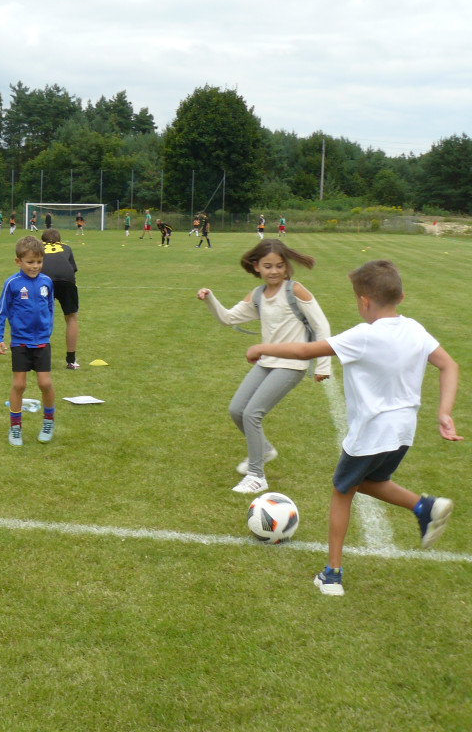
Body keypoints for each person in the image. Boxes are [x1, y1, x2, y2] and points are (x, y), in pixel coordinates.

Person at [246, 260, 460, 596]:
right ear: (401, 296)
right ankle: (423, 507)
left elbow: (305, 350)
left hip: (371, 432)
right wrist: (444, 412)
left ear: (362, 301)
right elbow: (449, 365)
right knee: (370, 482)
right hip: (404, 432)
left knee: (341, 491)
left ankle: (332, 574)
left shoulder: (363, 335)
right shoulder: (415, 329)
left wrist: (261, 348)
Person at [197, 239, 332, 493]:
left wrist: (323, 365)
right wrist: (209, 298)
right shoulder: (258, 295)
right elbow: (228, 318)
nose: (274, 271)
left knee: (252, 414)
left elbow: (321, 326)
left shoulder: (296, 290)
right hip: (267, 361)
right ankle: (265, 449)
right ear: (256, 266)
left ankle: (256, 476)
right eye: (267, 266)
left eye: (279, 266)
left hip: (292, 364)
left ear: (286, 267)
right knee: (237, 410)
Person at [0, 235, 55, 447]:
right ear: (18, 261)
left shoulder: (47, 282)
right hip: (20, 342)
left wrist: (48, 330)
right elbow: (2, 311)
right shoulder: (12, 283)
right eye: (30, 262)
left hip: (42, 342)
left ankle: (48, 422)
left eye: (39, 261)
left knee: (45, 383)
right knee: (19, 385)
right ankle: (15, 427)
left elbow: (50, 309)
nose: (35, 266)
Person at [41, 229, 80, 369]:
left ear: (42, 241)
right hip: (66, 279)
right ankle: (71, 360)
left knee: (40, 316)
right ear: (59, 240)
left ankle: (38, 356)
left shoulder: (39, 247)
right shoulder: (66, 247)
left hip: (44, 279)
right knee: (71, 318)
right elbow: (72, 269)